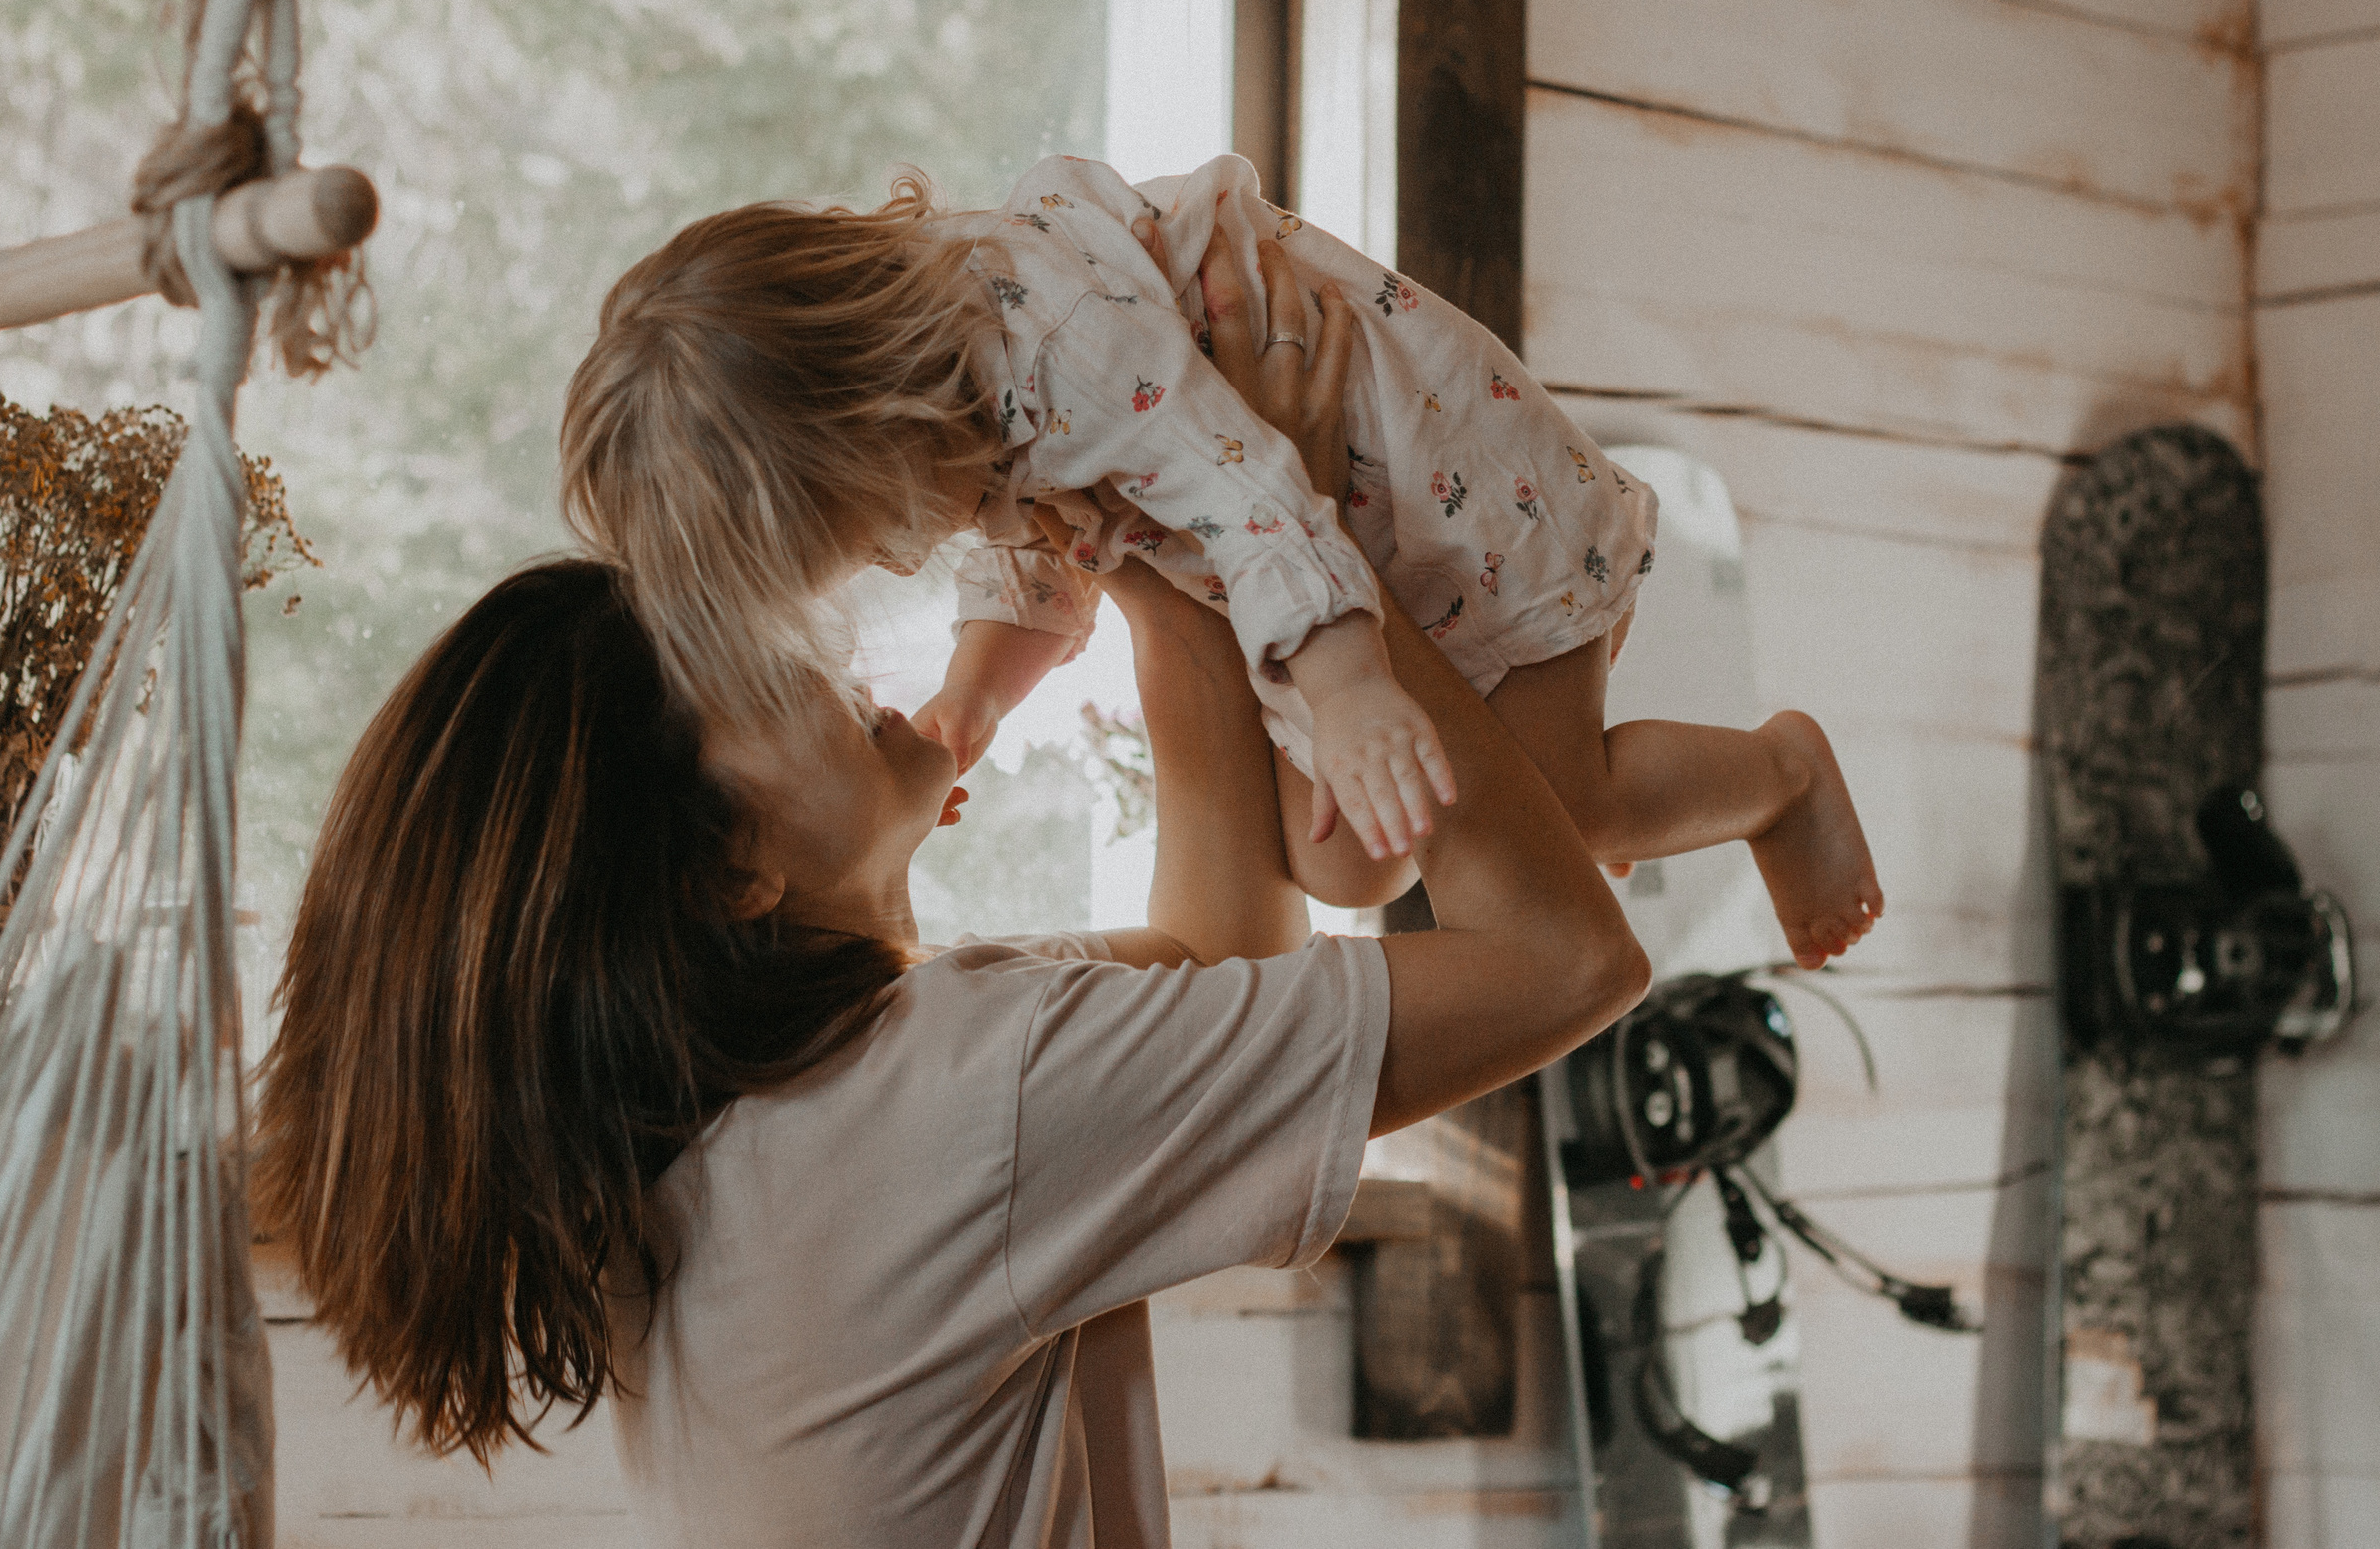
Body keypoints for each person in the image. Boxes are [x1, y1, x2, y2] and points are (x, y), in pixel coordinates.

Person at [251, 271, 1648, 1548]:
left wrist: (1190, 547)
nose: (814, 646)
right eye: (745, 671)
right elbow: (1564, 959)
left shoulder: (744, 1124)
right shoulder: (948, 1093)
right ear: (725, 876)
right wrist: (1299, 532)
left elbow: (1222, 962)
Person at [560, 154, 1880, 968]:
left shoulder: (1060, 344)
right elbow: (1039, 542)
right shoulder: (956, 391)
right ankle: (1551, 787)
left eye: (848, 537)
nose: (882, 556)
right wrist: (976, 697)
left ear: (858, 438)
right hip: (1314, 546)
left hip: (1451, 501)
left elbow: (1246, 481)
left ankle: (1780, 776)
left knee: (1570, 807)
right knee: (1355, 868)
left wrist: (1353, 689)